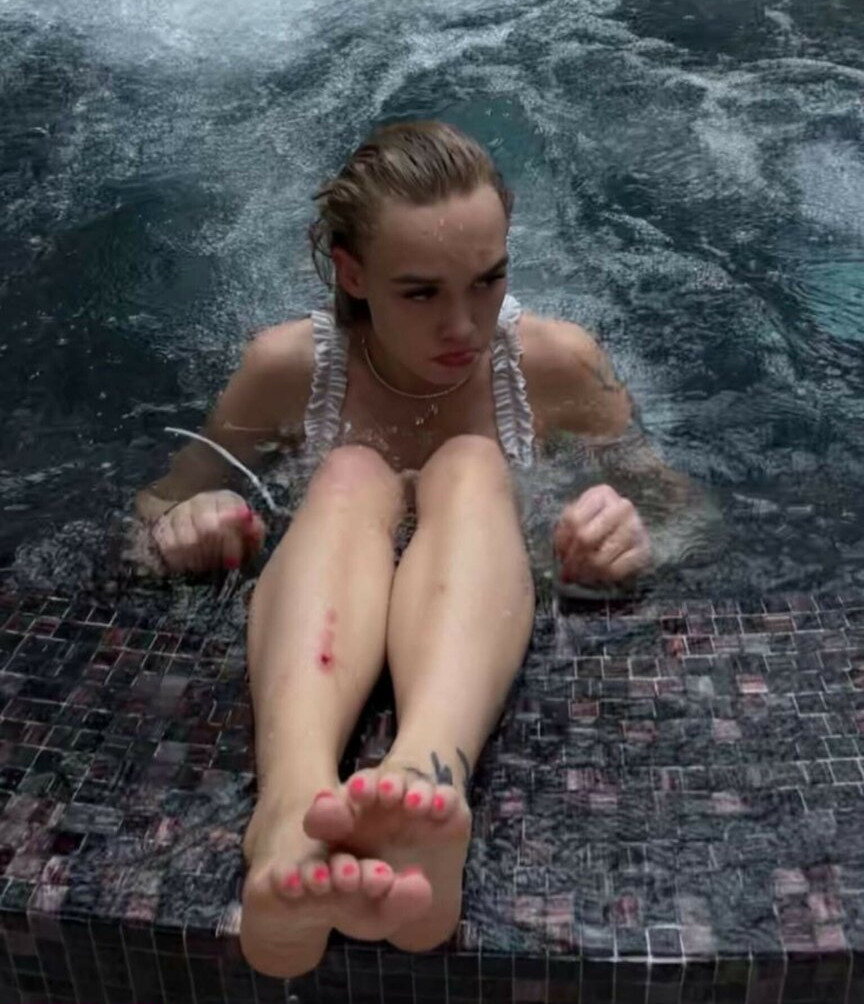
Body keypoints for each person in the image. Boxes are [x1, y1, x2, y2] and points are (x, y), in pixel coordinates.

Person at [134, 120, 696, 978]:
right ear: (353, 275)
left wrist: (631, 538)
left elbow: (687, 513)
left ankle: (428, 780)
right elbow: (153, 510)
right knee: (351, 472)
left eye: (489, 279)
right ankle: (290, 811)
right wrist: (186, 527)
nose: (464, 324)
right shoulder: (286, 370)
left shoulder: (557, 366)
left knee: (470, 466)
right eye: (421, 293)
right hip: (332, 561)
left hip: (477, 562)